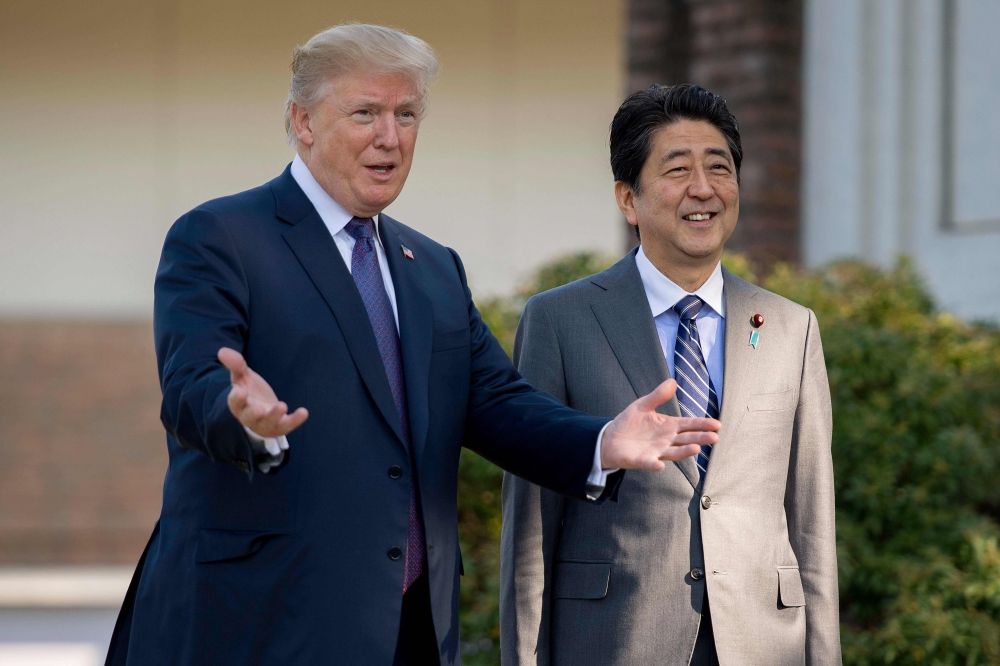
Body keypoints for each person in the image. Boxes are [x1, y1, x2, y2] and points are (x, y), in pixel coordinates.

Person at [103, 27, 722, 666]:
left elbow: (495, 401)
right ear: (304, 121)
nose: (390, 137)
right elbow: (194, 384)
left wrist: (600, 442)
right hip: (258, 622)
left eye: (406, 115)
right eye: (365, 113)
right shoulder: (220, 236)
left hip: (410, 629)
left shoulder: (431, 267)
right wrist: (240, 418)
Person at [500, 84, 841, 665]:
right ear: (628, 199)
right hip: (615, 638)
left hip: (762, 642)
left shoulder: (791, 327)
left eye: (719, 168)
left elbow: (811, 520)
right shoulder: (560, 320)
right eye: (678, 169)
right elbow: (531, 524)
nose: (703, 188)